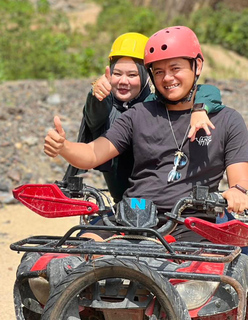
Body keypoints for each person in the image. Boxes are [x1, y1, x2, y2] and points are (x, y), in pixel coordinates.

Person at [45, 26, 248, 242]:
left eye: (175, 68)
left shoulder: (228, 120)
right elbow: (93, 153)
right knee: (78, 250)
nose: (167, 78)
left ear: (197, 65)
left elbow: (239, 180)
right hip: (133, 215)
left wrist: (237, 191)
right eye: (159, 71)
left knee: (193, 273)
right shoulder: (139, 114)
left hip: (192, 222)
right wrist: (63, 147)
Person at [64, 32, 225, 204]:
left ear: (147, 75)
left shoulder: (153, 104)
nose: (123, 81)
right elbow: (94, 113)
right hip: (128, 202)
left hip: (161, 200)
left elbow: (207, 90)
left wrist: (199, 109)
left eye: (132, 75)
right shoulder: (105, 105)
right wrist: (95, 93)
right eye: (117, 73)